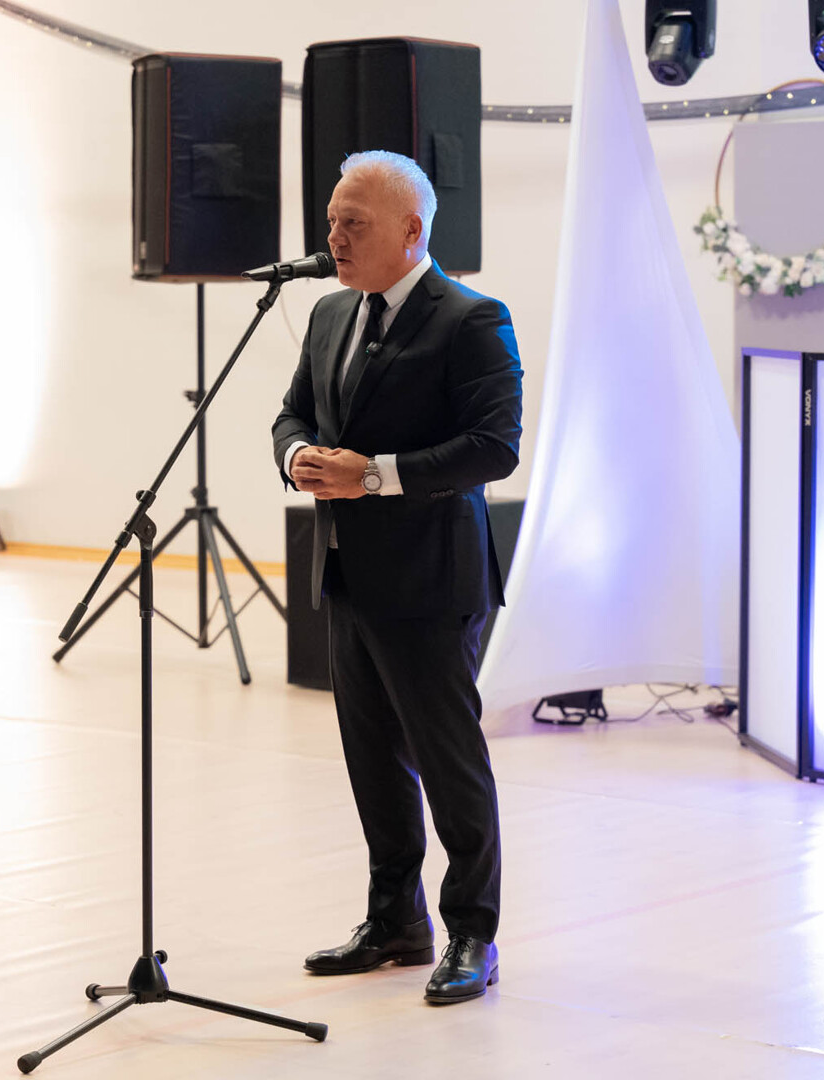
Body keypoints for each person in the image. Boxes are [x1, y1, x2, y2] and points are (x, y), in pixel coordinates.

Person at [271, 150, 523, 1005]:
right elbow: (294, 412)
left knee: (448, 765)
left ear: (412, 231)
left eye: (354, 224)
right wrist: (298, 456)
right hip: (348, 572)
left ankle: (473, 932)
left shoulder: (472, 319)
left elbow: (493, 447)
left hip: (432, 581)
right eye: (332, 221)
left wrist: (373, 476)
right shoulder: (329, 313)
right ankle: (395, 922)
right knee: (373, 762)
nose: (334, 237)